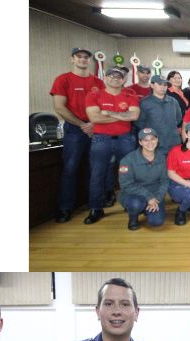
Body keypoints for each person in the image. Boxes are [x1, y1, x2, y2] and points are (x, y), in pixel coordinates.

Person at [51, 47, 104, 223]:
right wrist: (82, 125)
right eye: (79, 57)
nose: (82, 59)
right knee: (70, 169)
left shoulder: (98, 82)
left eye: (86, 57)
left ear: (90, 61)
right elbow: (59, 107)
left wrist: (94, 124)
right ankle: (65, 208)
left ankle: (94, 206)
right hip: (75, 130)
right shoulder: (63, 80)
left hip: (96, 129)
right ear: (72, 59)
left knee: (95, 170)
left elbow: (104, 106)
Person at [84, 66, 140, 224]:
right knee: (97, 175)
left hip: (125, 139)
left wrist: (108, 113)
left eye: (119, 76)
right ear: (105, 78)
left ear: (123, 79)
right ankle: (96, 208)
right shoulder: (94, 95)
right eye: (112, 76)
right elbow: (95, 118)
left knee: (129, 174)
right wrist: (123, 116)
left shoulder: (130, 94)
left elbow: (134, 115)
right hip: (101, 140)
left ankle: (130, 204)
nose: (115, 78)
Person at [118, 127, 169, 230]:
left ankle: (146, 209)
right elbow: (126, 184)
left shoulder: (162, 158)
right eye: (145, 140)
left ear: (157, 140)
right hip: (133, 194)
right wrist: (148, 197)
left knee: (157, 222)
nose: (150, 142)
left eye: (152, 139)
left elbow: (165, 181)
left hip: (155, 195)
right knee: (136, 204)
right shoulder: (128, 160)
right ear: (140, 142)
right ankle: (133, 217)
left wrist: (157, 199)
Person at [134, 74, 183, 156]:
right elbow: (139, 123)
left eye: (165, 85)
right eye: (160, 84)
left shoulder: (173, 101)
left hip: (173, 141)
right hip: (154, 144)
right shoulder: (144, 103)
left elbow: (178, 119)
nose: (163, 87)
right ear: (152, 85)